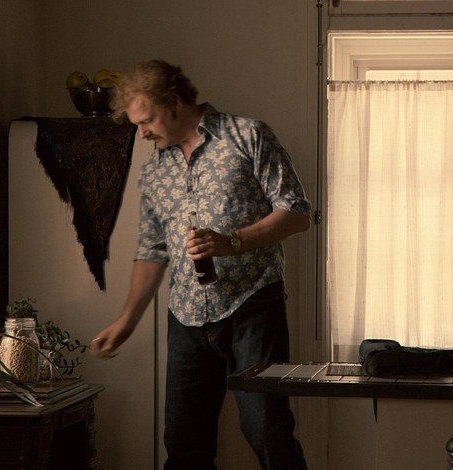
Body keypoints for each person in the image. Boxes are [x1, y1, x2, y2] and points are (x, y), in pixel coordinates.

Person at [91, 59, 311, 470]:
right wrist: (126, 320)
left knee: (267, 430)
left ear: (174, 102)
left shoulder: (248, 135)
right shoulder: (153, 173)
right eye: (137, 125)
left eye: (147, 120)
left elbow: (298, 213)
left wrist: (232, 242)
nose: (142, 133)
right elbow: (152, 251)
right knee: (183, 445)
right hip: (186, 318)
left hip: (253, 306)